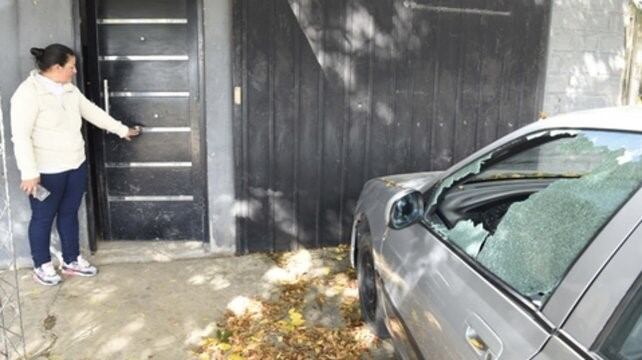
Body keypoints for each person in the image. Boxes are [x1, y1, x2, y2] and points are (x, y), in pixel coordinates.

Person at [10, 43, 140, 286]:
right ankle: (42, 264)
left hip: (74, 165)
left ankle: (71, 259)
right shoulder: (28, 93)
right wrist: (29, 173)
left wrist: (122, 130)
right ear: (57, 67)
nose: (75, 71)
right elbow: (21, 136)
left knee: (69, 214)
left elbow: (92, 112)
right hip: (46, 171)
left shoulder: (68, 89)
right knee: (43, 217)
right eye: (71, 67)